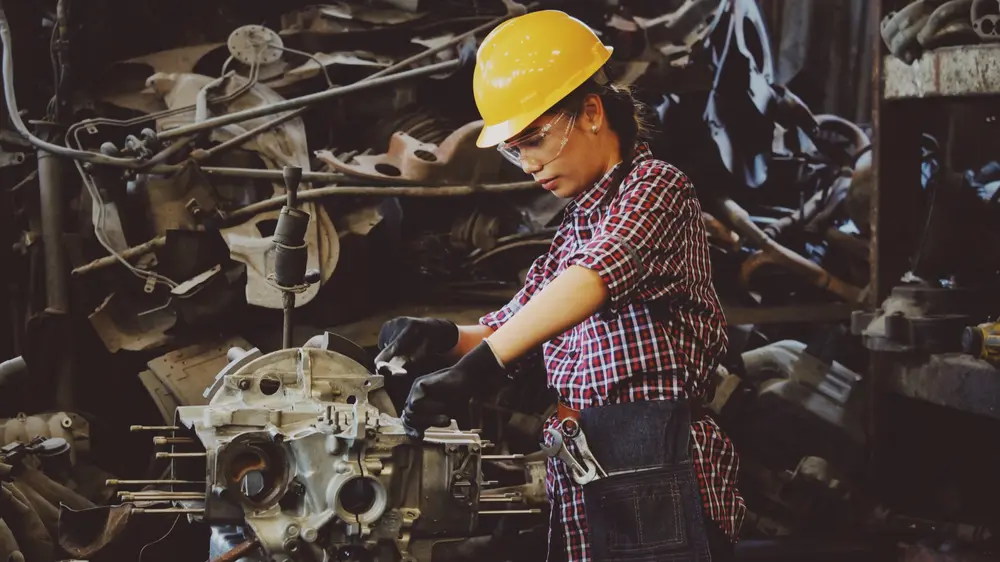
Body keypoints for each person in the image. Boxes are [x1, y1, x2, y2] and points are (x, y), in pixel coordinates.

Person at [374, 10, 745, 562]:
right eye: (514, 150)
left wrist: (477, 370)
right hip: (590, 465)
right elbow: (513, 326)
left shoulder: (656, 188)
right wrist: (441, 336)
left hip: (656, 467)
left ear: (591, 112)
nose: (528, 164)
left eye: (534, 140)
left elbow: (593, 278)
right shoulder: (574, 228)